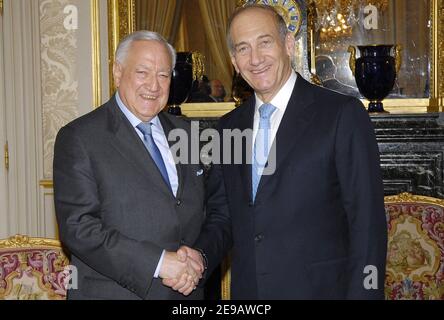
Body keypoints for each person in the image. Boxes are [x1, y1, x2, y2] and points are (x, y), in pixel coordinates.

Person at [180, 4, 388, 299]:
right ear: (234, 62)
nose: (255, 59)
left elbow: (367, 226)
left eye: (265, 42)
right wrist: (199, 256)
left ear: (288, 45)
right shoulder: (228, 128)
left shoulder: (341, 115)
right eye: (243, 48)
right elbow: (224, 216)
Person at [53, 31, 205, 300]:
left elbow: (212, 210)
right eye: (143, 72)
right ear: (117, 72)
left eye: (163, 75)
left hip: (186, 294)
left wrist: (200, 256)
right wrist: (158, 262)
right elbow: (79, 227)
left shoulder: (189, 134)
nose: (154, 86)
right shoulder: (80, 137)